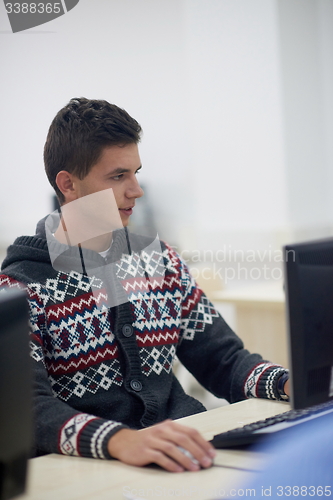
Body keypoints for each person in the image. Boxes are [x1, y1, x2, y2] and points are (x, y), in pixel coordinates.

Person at [0, 98, 289, 473]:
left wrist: (287, 384)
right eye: (118, 176)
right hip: (92, 472)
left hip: (181, 454)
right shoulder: (18, 286)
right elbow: (28, 409)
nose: (136, 190)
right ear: (68, 184)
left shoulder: (158, 259)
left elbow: (224, 361)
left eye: (136, 172)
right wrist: (120, 440)